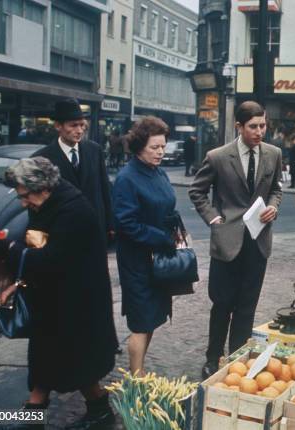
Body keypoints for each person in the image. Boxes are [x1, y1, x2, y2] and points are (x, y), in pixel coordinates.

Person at [1, 157, 118, 430]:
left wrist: (12, 251)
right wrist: (17, 279)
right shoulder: (48, 203)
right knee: (48, 360)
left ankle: (99, 412)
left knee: (74, 363)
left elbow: (51, 259)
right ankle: (35, 416)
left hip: (76, 304)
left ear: (41, 188)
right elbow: (36, 243)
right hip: (55, 300)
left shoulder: (73, 211)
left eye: (24, 196)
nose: (22, 203)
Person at [189, 101, 282, 379]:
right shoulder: (218, 156)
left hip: (258, 241)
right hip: (227, 243)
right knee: (222, 304)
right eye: (253, 127)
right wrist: (213, 218)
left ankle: (237, 359)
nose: (259, 132)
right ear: (239, 127)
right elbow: (197, 191)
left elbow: (276, 188)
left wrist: (274, 206)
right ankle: (212, 357)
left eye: (262, 125)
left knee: (247, 306)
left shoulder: (273, 154)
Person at [112, 116, 180, 376]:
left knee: (152, 318)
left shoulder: (157, 171)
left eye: (163, 146)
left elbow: (165, 205)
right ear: (139, 146)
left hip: (158, 260)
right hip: (138, 261)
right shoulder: (127, 178)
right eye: (155, 147)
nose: (161, 152)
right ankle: (136, 379)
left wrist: (173, 226)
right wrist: (160, 237)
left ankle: (139, 373)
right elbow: (125, 223)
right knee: (141, 322)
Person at [33, 99, 114, 240]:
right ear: (58, 126)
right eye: (74, 125)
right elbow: (36, 203)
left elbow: (104, 189)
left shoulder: (94, 150)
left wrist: (110, 224)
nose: (79, 130)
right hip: (62, 234)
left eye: (82, 125)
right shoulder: (41, 158)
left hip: (94, 230)